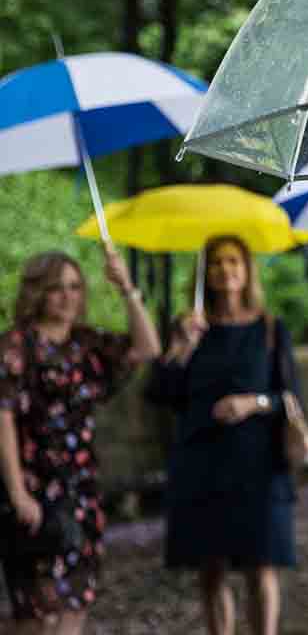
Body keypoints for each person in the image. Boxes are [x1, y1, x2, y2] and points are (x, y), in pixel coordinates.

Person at [0, 245, 161, 634]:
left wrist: (126, 288)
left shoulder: (88, 343)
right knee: (35, 612)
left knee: (75, 601)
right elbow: (2, 416)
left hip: (81, 490)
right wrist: (18, 491)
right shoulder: (16, 346)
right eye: (57, 288)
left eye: (75, 287)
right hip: (34, 489)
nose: (68, 296)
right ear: (37, 292)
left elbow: (148, 349)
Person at [144, 235, 299, 635]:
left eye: (233, 261)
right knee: (211, 568)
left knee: (260, 565)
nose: (225, 270)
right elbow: (160, 395)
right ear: (204, 272)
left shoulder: (269, 328)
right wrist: (181, 348)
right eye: (215, 262)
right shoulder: (189, 326)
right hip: (201, 464)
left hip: (259, 465)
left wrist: (253, 403)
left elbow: (290, 399)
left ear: (246, 271)